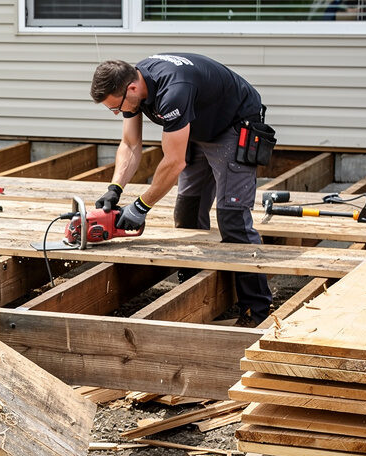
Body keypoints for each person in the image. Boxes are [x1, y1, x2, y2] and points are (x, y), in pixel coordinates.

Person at [89, 54, 272, 327]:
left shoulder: (173, 90)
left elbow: (174, 161)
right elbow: (130, 144)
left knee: (232, 218)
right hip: (195, 125)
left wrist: (140, 206)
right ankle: (196, 291)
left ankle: (256, 309)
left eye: (117, 108)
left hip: (233, 123)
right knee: (187, 212)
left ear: (132, 89)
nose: (118, 113)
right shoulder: (132, 82)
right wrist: (114, 189)